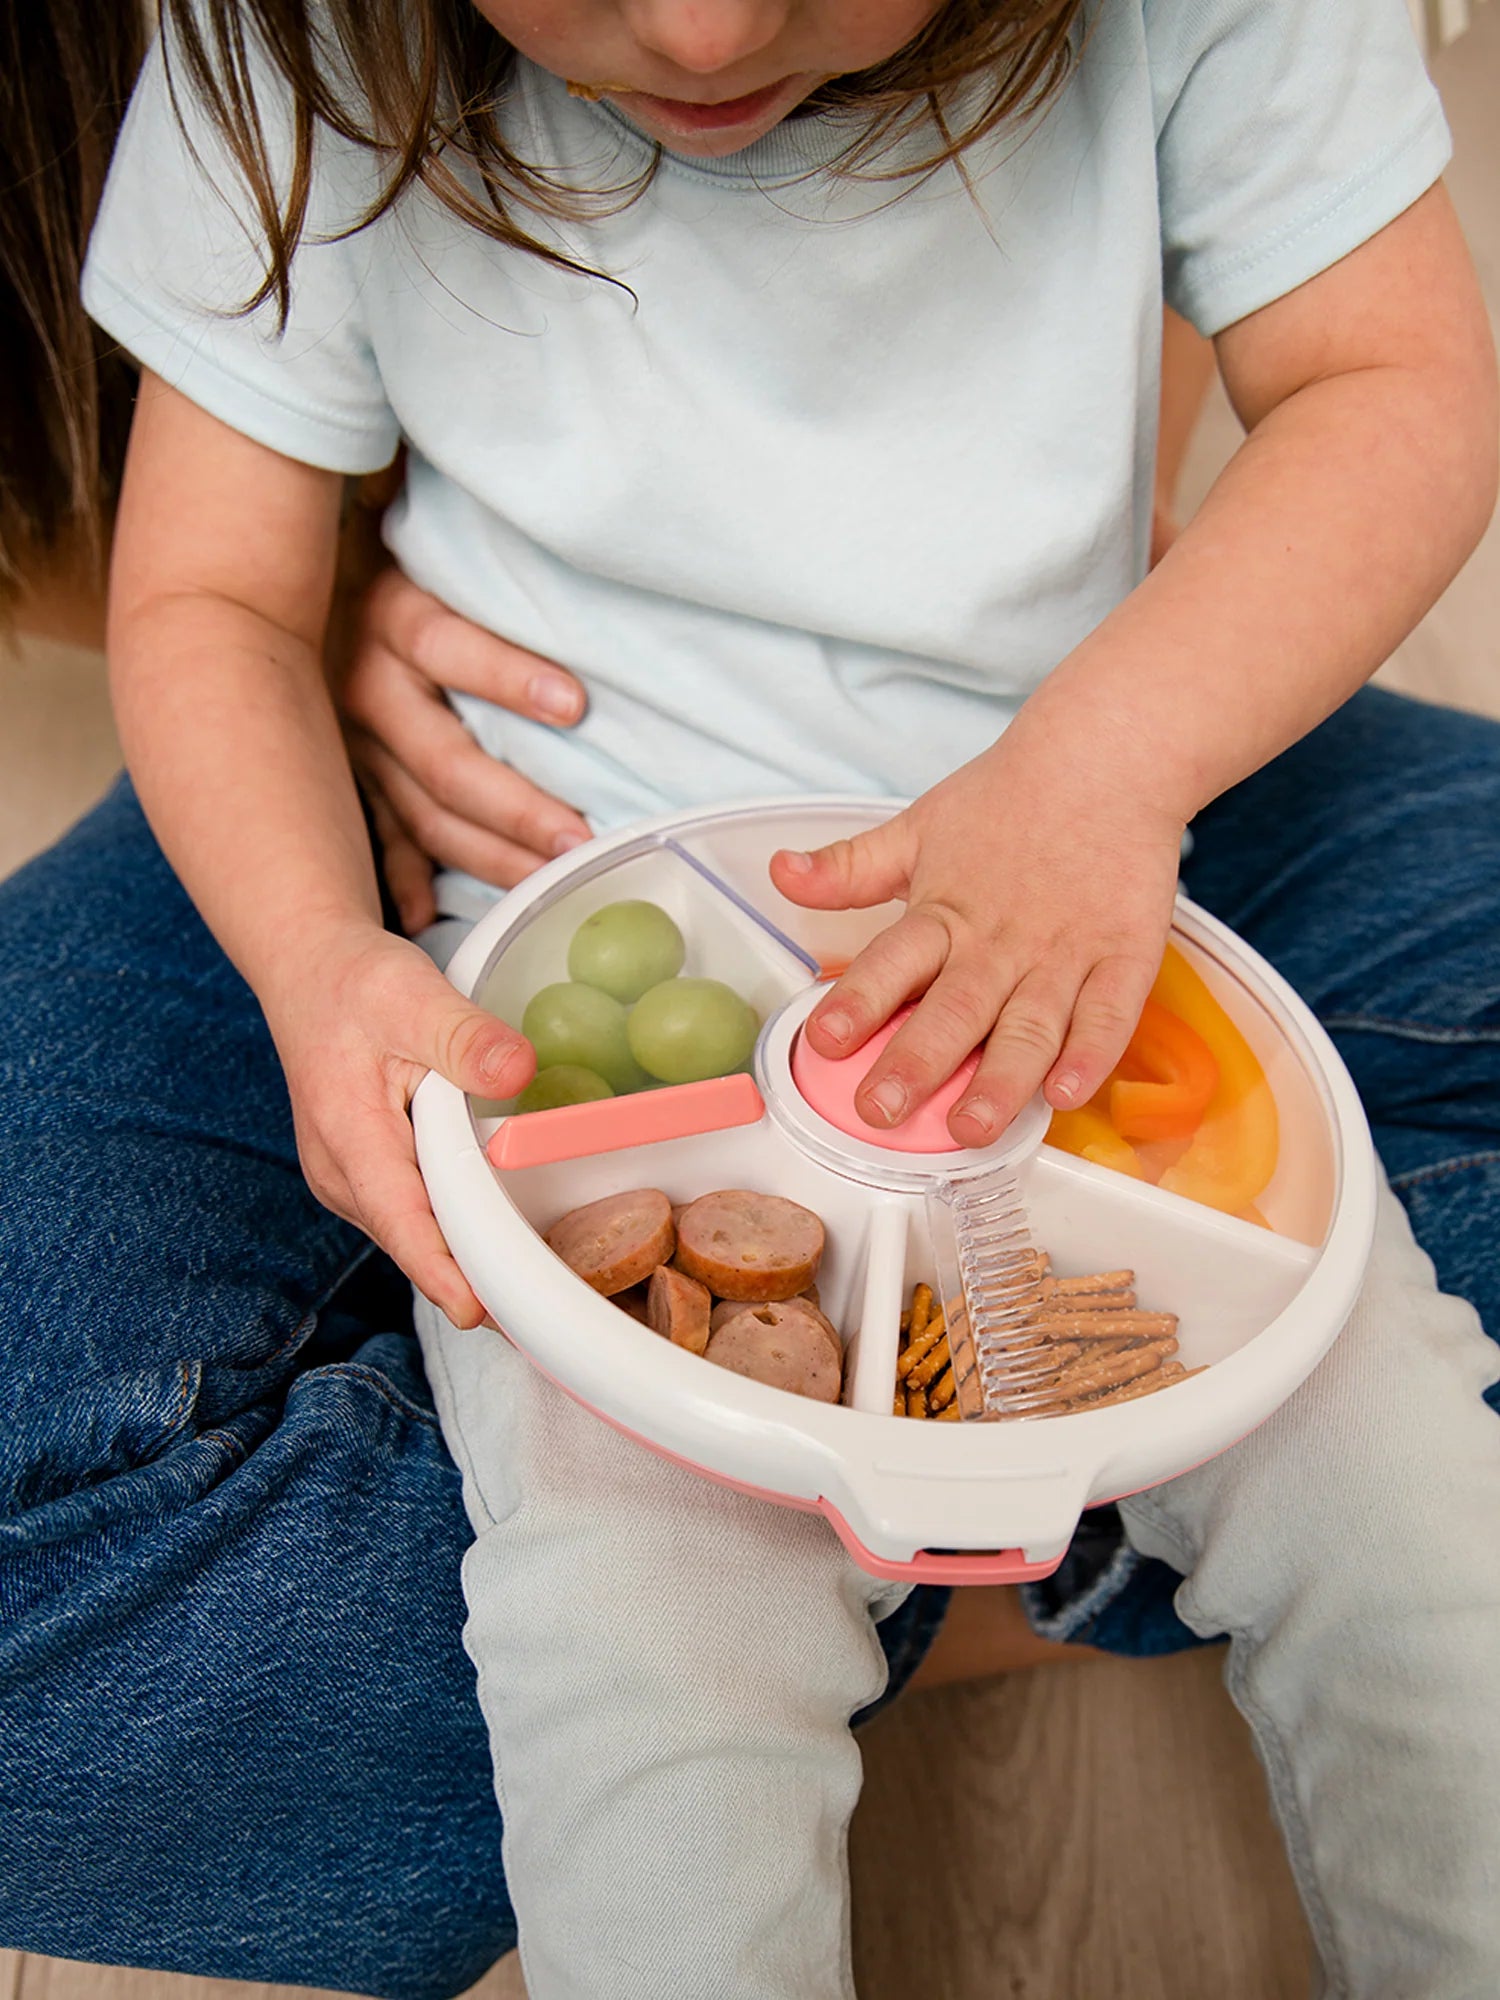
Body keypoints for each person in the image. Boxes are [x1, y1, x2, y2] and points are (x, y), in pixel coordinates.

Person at [5, 6, 1500, 2000]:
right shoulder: (285, 44)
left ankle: (981, 1533)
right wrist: (312, 960)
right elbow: (213, 597)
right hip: (542, 930)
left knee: (1417, 1529)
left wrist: (1113, 767)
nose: (702, 28)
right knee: (641, 1680)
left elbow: (1393, 381)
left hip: (1075, 909)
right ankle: (971, 1538)